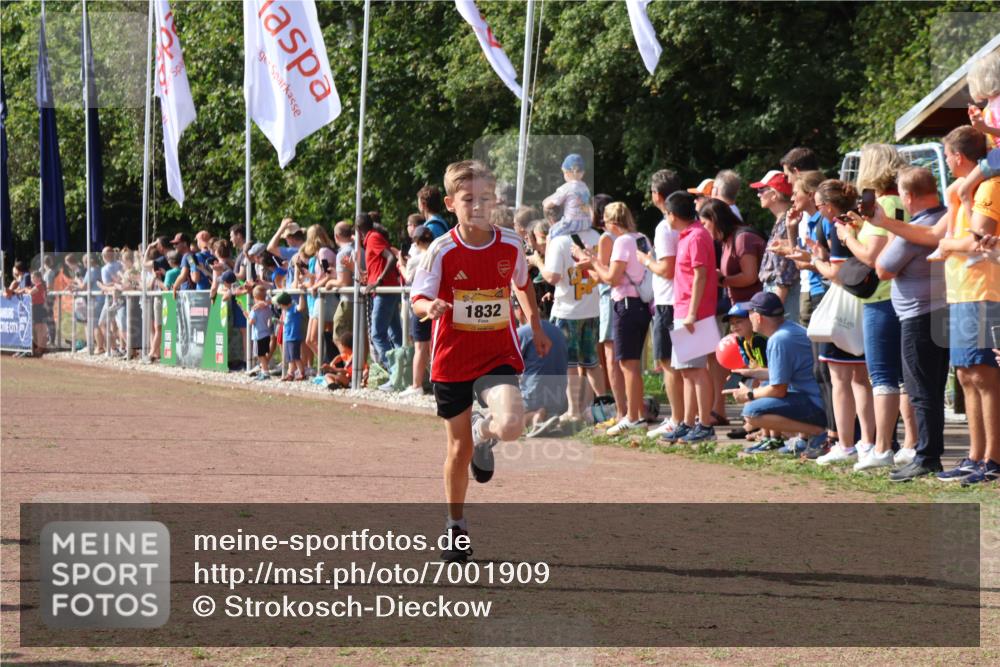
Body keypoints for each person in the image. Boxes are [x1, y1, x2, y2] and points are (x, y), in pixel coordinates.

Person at [409, 160, 550, 563]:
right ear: (451, 203)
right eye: (469, 199)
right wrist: (429, 306)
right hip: (452, 357)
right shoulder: (441, 249)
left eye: (485, 198)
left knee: (509, 425)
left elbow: (522, 282)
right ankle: (456, 527)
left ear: (496, 201)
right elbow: (417, 297)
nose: (478, 206)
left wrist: (535, 327)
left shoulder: (508, 242)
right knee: (457, 448)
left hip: (496, 352)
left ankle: (484, 433)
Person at [836, 143, 916, 466]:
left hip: (882, 297)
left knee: (882, 375)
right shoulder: (898, 200)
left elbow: (873, 256)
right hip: (896, 295)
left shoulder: (885, 202)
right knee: (902, 376)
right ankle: (908, 443)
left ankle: (882, 448)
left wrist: (847, 237)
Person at [873, 167, 949, 479]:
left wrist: (892, 229)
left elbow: (882, 268)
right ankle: (930, 454)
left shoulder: (916, 229)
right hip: (943, 312)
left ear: (908, 196)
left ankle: (927, 456)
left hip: (918, 316)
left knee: (921, 389)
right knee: (934, 386)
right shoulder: (945, 217)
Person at [803, 179, 877, 463]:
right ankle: (867, 442)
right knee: (861, 377)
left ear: (829, 206)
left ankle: (846, 443)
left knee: (840, 377)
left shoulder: (838, 227)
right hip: (864, 303)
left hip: (845, 307)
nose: (819, 211)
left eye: (820, 205)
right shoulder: (858, 220)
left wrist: (815, 262)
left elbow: (838, 273)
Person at [572, 202, 652, 436]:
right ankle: (634, 414)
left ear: (611, 222)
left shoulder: (623, 241)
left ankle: (633, 416)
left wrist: (592, 262)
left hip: (625, 304)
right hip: (641, 305)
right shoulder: (641, 237)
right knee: (633, 364)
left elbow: (612, 278)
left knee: (627, 364)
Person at [655, 192, 719, 443]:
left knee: (696, 370)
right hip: (683, 310)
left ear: (672, 214)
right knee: (686, 371)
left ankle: (704, 424)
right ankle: (688, 422)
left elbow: (701, 275)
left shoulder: (696, 236)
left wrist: (693, 312)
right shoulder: (687, 236)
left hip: (695, 312)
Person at [783, 170, 838, 448]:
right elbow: (801, 262)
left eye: (797, 191)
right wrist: (792, 233)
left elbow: (814, 262)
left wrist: (811, 257)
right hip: (816, 293)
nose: (792, 196)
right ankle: (829, 431)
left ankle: (836, 434)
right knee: (820, 370)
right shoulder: (812, 221)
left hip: (825, 294)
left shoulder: (824, 222)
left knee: (828, 369)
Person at [732, 292, 828, 450]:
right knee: (764, 385)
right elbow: (782, 375)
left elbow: (778, 390)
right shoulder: (788, 330)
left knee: (751, 412)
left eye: (750, 313)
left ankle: (818, 432)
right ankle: (805, 438)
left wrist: (749, 394)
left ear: (759, 317)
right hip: (820, 399)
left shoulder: (779, 339)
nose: (748, 317)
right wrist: (751, 373)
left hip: (817, 404)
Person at [540, 194, 604, 429]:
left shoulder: (560, 240)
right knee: (592, 362)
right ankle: (599, 408)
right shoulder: (596, 236)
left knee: (569, 364)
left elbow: (552, 276)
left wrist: (538, 261)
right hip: (592, 306)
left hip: (567, 310)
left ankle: (574, 410)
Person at [640, 169, 685, 437]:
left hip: (668, 299)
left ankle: (677, 418)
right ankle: (683, 418)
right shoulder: (685, 223)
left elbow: (667, 269)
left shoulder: (664, 226)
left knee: (668, 363)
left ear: (657, 195)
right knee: (681, 365)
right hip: (678, 298)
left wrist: (646, 261)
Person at [513, 298, 569, 437]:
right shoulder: (558, 331)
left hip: (534, 396)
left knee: (505, 419)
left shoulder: (522, 332)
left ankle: (534, 417)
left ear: (519, 310)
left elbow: (510, 369)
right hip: (560, 398)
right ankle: (547, 415)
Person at [751, 170, 801, 323]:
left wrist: (773, 310)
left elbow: (785, 270)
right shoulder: (782, 221)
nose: (758, 194)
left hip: (782, 295)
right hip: (776, 292)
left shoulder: (787, 222)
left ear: (774, 194)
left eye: (761, 190)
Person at [358, 212, 403, 369]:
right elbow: (382, 262)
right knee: (396, 335)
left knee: (377, 335)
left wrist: (379, 280)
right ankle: (404, 372)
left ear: (358, 229)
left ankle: (394, 372)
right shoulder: (372, 238)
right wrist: (370, 278)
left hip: (384, 292)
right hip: (387, 290)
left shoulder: (373, 238)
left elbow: (391, 257)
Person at [399, 224, 435, 398]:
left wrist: (400, 264)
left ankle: (416, 384)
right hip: (435, 302)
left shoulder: (415, 259)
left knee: (420, 346)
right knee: (434, 345)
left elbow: (408, 278)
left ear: (417, 241)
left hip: (420, 303)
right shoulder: (438, 255)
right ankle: (437, 381)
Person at [543, 153, 592, 239]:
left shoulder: (566, 187)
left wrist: (545, 202)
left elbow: (549, 204)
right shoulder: (585, 188)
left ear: (567, 173)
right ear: (582, 173)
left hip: (572, 223)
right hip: (586, 223)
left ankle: (549, 251)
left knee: (551, 233)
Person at [274, 290, 306, 382]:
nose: (280, 307)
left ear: (285, 304)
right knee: (289, 357)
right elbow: (286, 323)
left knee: (295, 356)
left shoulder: (293, 308)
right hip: (287, 337)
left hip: (294, 337)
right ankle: (290, 373)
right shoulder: (286, 311)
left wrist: (301, 294)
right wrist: (278, 321)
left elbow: (301, 307)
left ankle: (302, 373)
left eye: (280, 305)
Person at [245, 285, 273, 381]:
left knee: (261, 355)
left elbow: (251, 322)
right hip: (266, 334)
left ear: (255, 298)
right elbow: (269, 317)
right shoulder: (267, 308)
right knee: (263, 354)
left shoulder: (255, 310)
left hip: (259, 335)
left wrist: (248, 316)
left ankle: (265, 372)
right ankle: (264, 371)